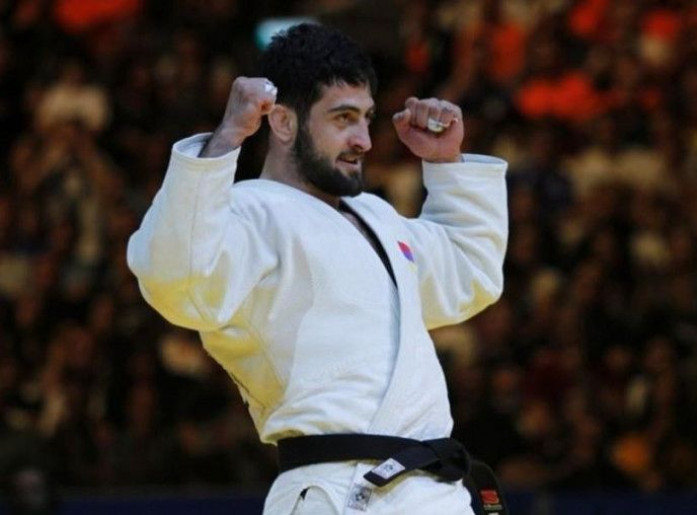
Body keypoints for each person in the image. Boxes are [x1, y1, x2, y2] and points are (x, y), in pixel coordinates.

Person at [127, 22, 508, 514]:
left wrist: (446, 163)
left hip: (431, 491)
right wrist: (226, 139)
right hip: (337, 490)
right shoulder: (249, 213)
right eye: (343, 118)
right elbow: (176, 277)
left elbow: (468, 275)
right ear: (284, 122)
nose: (364, 140)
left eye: (367, 118)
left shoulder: (376, 216)